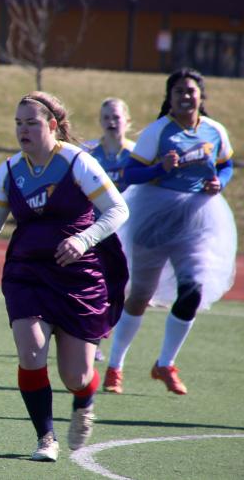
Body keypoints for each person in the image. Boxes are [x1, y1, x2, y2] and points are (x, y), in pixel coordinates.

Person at [0, 92, 129, 462]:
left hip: (78, 275)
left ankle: (84, 399)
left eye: (30, 122)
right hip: (27, 271)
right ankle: (46, 437)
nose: (22, 130)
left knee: (75, 376)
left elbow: (117, 210)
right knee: (30, 352)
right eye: (18, 123)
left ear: (51, 125)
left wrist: (83, 239)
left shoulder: (77, 161)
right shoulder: (9, 169)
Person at [103, 68, 236, 396]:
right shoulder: (158, 131)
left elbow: (226, 164)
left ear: (201, 96)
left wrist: (222, 182)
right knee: (139, 297)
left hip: (197, 218)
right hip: (155, 218)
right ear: (170, 98)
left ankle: (165, 363)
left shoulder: (215, 131)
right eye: (179, 91)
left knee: (193, 289)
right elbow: (131, 173)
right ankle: (115, 365)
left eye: (191, 91)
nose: (186, 96)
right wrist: (157, 168)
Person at [81, 97, 135, 362]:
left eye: (116, 117)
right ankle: (93, 338)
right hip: (96, 231)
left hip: (128, 232)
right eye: (106, 118)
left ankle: (104, 334)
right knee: (95, 284)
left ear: (127, 120)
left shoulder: (137, 155)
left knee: (120, 288)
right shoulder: (89, 153)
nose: (111, 123)